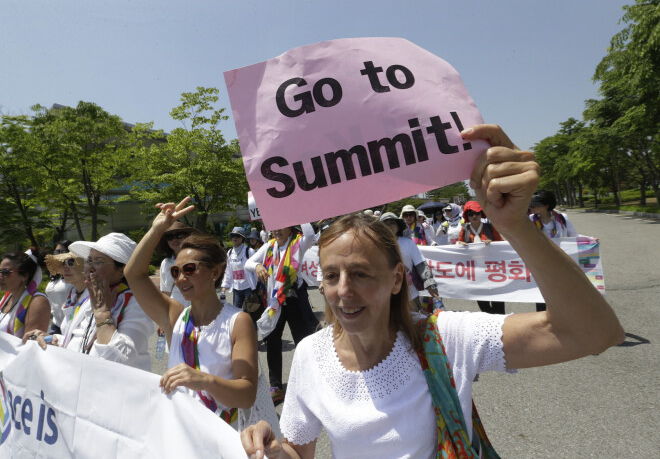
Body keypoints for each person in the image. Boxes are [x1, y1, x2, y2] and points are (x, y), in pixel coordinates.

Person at [241, 124, 625, 459]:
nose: (343, 291)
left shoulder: (449, 337)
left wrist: (516, 225)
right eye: (330, 275)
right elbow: (297, 451)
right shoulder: (310, 354)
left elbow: (595, 333)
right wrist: (274, 450)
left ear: (396, 279)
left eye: (360, 274)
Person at [124, 198, 279, 433]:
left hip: (221, 435)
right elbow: (133, 274)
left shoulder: (238, 322)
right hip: (181, 433)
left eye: (189, 269)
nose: (180, 278)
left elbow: (246, 394)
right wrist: (157, 230)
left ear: (215, 272)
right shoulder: (174, 316)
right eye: (176, 271)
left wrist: (202, 380)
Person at [27, 233, 154, 370]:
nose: (90, 268)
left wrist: (102, 314)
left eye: (98, 262)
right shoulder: (90, 298)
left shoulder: (135, 303)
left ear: (123, 270)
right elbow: (81, 341)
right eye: (89, 261)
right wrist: (53, 339)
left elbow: (120, 359)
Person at [245, 224, 319, 404]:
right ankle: (276, 387)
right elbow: (248, 263)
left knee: (303, 343)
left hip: (294, 299)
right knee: (272, 343)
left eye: (281, 227)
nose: (277, 231)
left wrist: (294, 210)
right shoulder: (269, 246)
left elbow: (309, 233)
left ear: (290, 229)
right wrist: (257, 266)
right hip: (274, 303)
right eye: (275, 228)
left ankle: (310, 384)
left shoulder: (298, 243)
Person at [379, 212, 440, 312]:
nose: (389, 226)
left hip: (409, 294)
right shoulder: (375, 245)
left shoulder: (408, 242)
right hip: (385, 296)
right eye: (385, 223)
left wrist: (430, 284)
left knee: (413, 324)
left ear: (398, 226)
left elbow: (421, 264)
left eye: (392, 223)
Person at [457, 201, 506, 315]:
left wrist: (493, 243)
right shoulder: (464, 230)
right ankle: (488, 321)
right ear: (467, 216)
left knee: (497, 299)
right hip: (476, 271)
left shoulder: (490, 227)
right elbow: (458, 243)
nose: (474, 216)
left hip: (492, 269)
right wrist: (460, 244)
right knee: (482, 301)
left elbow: (501, 244)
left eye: (477, 213)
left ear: (481, 215)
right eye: (470, 214)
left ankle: (500, 323)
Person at [0, 250, 50, 340]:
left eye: (5, 272)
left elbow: (29, 345)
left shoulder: (37, 302)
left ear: (25, 276)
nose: (0, 276)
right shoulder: (6, 299)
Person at [156, 221, 201, 309]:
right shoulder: (165, 263)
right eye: (170, 237)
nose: (175, 240)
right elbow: (166, 292)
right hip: (176, 312)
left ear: (187, 237)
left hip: (198, 309)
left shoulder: (197, 258)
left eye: (179, 235)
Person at [221, 227, 258, 310]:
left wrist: (258, 286)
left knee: (250, 313)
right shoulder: (230, 252)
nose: (235, 238)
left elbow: (256, 269)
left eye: (237, 236)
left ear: (242, 238)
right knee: (235, 312)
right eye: (233, 236)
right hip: (237, 289)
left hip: (248, 287)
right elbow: (228, 271)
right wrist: (224, 287)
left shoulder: (249, 251)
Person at [45, 240, 73, 334]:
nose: (59, 254)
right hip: (55, 324)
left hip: (70, 324)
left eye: (64, 251)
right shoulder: (54, 274)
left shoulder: (74, 273)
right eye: (57, 252)